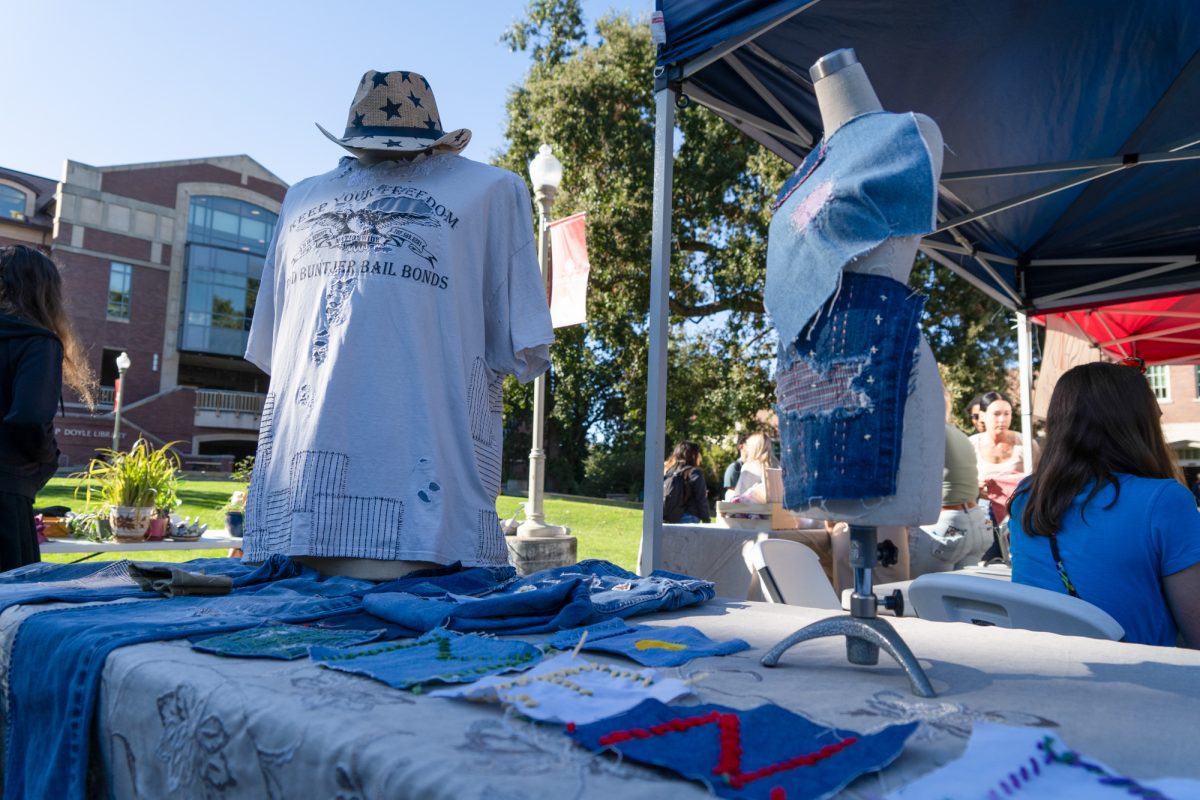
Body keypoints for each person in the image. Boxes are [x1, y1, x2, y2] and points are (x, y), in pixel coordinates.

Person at [242, 71, 554, 579]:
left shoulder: (494, 191)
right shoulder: (299, 199)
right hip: (290, 528)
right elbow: (279, 348)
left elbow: (523, 342)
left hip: (428, 533)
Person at [1009, 362, 1200, 648]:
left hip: (1045, 674)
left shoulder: (1028, 495)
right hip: (1144, 680)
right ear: (1137, 426)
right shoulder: (1163, 500)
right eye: (1156, 418)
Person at [0, 245, 94, 571]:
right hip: (6, 500)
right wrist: (47, 459)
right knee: (9, 611)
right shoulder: (37, 341)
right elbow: (27, 418)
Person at [909, 388, 991, 576]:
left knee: (923, 598)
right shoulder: (960, 434)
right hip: (975, 525)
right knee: (961, 599)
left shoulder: (927, 433)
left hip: (946, 527)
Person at [971, 391, 1038, 524]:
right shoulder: (970, 444)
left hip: (1019, 513)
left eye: (1007, 414)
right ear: (982, 416)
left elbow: (1039, 479)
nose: (1002, 420)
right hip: (981, 514)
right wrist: (973, 485)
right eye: (996, 414)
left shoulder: (1026, 443)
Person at [662, 441, 710, 524]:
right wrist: (706, 519)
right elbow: (701, 498)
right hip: (689, 517)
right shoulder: (694, 472)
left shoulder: (669, 472)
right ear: (694, 455)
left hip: (670, 516)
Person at [725, 432, 773, 501]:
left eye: (748, 445)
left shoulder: (750, 467)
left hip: (753, 510)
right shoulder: (777, 466)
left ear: (754, 448)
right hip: (777, 510)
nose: (747, 449)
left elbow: (738, 497)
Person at [722, 431, 749, 497]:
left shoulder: (757, 467)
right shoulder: (734, 468)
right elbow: (732, 497)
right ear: (741, 446)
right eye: (750, 444)